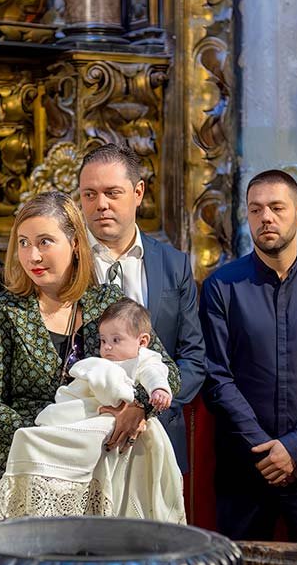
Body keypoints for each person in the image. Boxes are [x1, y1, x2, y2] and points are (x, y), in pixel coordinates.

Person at [0, 192, 180, 517]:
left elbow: (166, 370)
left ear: (76, 243)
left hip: (103, 465)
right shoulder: (5, 311)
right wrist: (46, 436)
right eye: (23, 243)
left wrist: (139, 407)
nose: (32, 256)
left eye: (44, 242)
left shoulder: (106, 301)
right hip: (29, 464)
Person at [200, 169, 297, 547]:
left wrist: (294, 446)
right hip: (244, 467)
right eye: (255, 210)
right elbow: (216, 378)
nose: (265, 217)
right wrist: (265, 450)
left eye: (276, 208)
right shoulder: (222, 287)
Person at [0, 298, 186, 524]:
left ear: (142, 342)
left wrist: (155, 394)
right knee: (47, 427)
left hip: (118, 421)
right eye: (103, 341)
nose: (107, 347)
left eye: (116, 340)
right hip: (93, 410)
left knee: (96, 432)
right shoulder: (5, 307)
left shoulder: (144, 359)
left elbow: (158, 374)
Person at [78, 144, 205, 473]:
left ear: (138, 192)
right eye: (89, 194)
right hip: (86, 438)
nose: (101, 204)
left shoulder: (173, 264)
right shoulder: (67, 263)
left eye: (112, 192)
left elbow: (193, 358)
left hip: (158, 436)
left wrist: (145, 408)